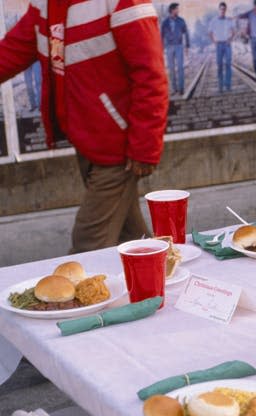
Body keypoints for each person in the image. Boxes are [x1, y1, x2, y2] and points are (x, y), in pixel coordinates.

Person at [0, 0, 168, 253]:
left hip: (118, 149)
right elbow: (13, 50)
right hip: (86, 141)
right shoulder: (45, 4)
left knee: (88, 245)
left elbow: (151, 75)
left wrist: (145, 148)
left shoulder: (122, 3)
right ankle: (162, 280)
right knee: (130, 237)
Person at [161, 3, 190, 95]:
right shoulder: (165, 22)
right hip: (169, 47)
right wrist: (162, 48)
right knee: (171, 69)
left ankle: (181, 89)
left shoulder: (181, 21)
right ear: (172, 10)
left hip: (179, 46)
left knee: (180, 68)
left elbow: (186, 33)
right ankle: (174, 89)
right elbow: (161, 36)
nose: (178, 11)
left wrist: (187, 46)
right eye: (176, 9)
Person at [209, 2, 235, 92]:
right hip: (219, 45)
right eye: (221, 9)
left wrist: (230, 39)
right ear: (218, 10)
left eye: (224, 9)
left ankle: (228, 85)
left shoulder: (229, 20)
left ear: (225, 10)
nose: (222, 11)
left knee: (228, 64)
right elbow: (210, 32)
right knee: (219, 65)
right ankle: (220, 86)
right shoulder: (214, 21)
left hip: (227, 45)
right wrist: (214, 42)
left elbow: (233, 31)